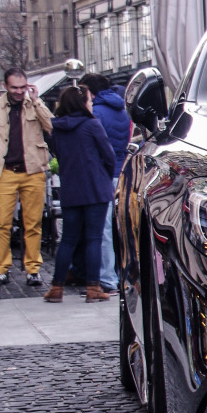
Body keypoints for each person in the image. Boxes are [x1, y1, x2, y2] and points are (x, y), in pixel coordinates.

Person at [42, 85, 116, 303]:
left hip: (70, 189)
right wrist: (104, 176)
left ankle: (56, 288)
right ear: (82, 103)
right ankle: (93, 287)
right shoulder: (92, 125)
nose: (91, 104)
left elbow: (59, 155)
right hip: (95, 188)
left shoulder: (57, 129)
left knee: (68, 240)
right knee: (93, 238)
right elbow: (109, 156)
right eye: (89, 101)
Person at [0, 68, 54, 287]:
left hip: (33, 171)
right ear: (5, 86)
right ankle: (2, 268)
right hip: (4, 172)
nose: (19, 92)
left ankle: (33, 269)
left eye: (23, 87)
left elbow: (51, 126)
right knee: (1, 224)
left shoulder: (34, 103)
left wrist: (37, 100)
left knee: (33, 224)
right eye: (14, 88)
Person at [81, 72, 131, 293]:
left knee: (103, 229)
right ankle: (122, 274)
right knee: (119, 226)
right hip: (120, 170)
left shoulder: (97, 112)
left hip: (103, 173)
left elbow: (95, 145)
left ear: (91, 91)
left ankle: (108, 278)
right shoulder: (121, 109)